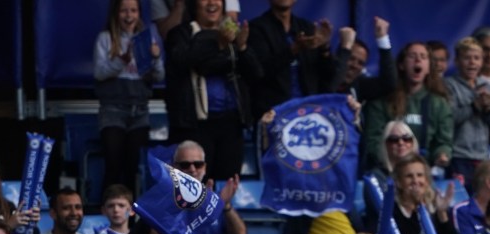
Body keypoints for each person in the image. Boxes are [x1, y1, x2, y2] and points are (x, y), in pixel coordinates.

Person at [164, 0, 262, 181]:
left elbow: (257, 75)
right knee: (193, 190)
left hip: (231, 125)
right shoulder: (180, 34)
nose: (211, 3)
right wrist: (218, 44)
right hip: (194, 126)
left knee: (227, 187)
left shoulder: (234, 33)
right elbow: (182, 60)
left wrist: (242, 48)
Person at [93, 0, 164, 191]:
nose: (129, 15)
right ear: (116, 14)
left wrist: (156, 58)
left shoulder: (147, 38)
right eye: (124, 11)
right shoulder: (106, 38)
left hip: (139, 111)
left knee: (134, 167)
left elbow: (159, 76)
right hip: (113, 110)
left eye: (133, 10)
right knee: (114, 165)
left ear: (139, 13)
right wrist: (120, 61)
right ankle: (109, 211)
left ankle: (132, 216)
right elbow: (99, 73)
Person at [362, 42, 453, 173]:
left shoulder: (439, 104)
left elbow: (444, 142)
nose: (418, 59)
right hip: (387, 170)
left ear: (428, 68)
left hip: (423, 171)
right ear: (401, 65)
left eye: (423, 56)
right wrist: (394, 162)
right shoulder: (382, 100)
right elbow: (372, 141)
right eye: (412, 56)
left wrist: (442, 154)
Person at [246, 2, 341, 119]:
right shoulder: (257, 29)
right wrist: (294, 49)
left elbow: (328, 77)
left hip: (309, 112)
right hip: (274, 115)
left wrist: (324, 48)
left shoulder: (307, 28)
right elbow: (259, 72)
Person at [445, 37, 490, 185]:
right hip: (459, 156)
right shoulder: (449, 85)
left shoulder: (486, 86)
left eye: (476, 58)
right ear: (456, 61)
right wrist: (475, 106)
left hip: (482, 156)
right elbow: (449, 119)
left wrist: (488, 109)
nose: (472, 62)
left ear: (481, 62)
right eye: (467, 58)